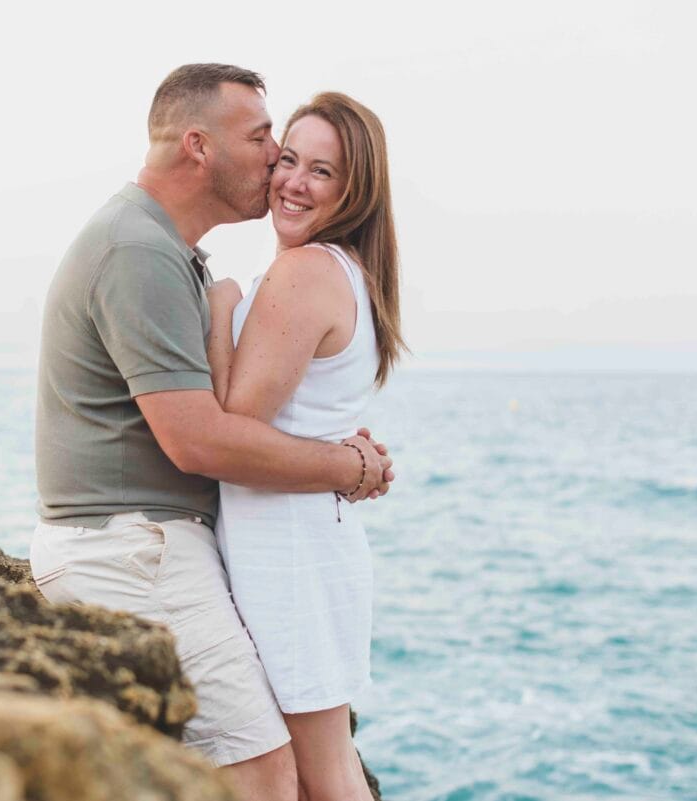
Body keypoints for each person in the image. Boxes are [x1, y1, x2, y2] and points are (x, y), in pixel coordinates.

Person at [29, 64, 395, 801]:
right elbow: (201, 440)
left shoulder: (171, 252)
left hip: (167, 542)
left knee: (291, 768)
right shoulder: (139, 249)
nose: (275, 159)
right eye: (263, 140)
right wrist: (345, 466)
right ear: (199, 146)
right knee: (267, 773)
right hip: (132, 546)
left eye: (315, 166)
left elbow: (227, 418)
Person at [205, 91, 406, 801]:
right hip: (301, 541)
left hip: (288, 553)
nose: (293, 182)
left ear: (356, 190)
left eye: (322, 171)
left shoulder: (307, 271)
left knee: (325, 773)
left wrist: (221, 307)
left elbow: (231, 423)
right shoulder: (344, 270)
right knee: (316, 766)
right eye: (288, 159)